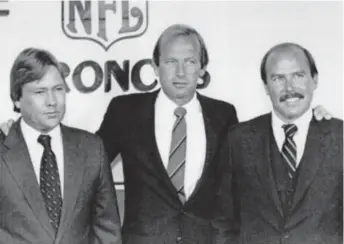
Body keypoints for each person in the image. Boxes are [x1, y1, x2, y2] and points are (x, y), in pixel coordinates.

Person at [96, 24, 239, 244]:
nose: (180, 72)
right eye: (171, 62)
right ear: (155, 66)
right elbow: (89, 168)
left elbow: (237, 187)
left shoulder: (224, 115)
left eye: (190, 62)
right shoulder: (125, 111)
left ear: (202, 69)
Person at [214, 42, 342, 244]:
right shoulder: (238, 139)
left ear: (314, 80)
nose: (289, 88)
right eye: (278, 78)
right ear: (266, 86)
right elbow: (222, 221)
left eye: (298, 75)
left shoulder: (339, 137)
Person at [0, 48, 122, 244]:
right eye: (40, 92)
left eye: (58, 89)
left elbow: (107, 232)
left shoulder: (92, 149)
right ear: (17, 98)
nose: (52, 102)